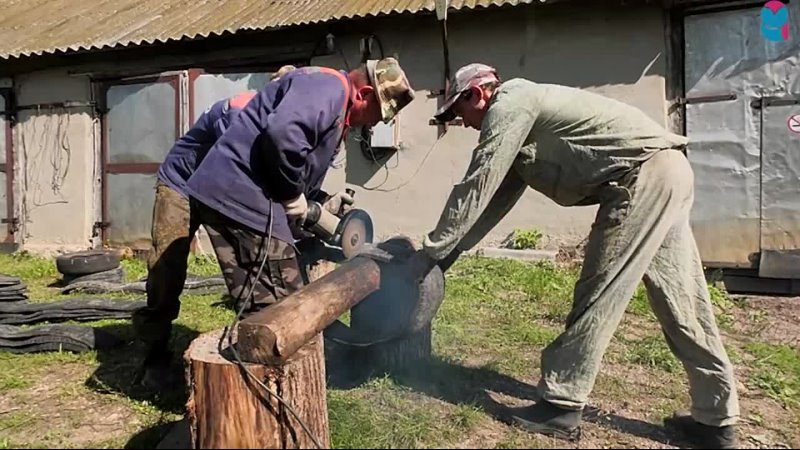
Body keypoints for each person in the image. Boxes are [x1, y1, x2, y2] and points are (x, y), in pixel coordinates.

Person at [408, 63, 739, 449]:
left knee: (598, 294)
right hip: (668, 171)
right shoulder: (523, 119)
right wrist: (452, 252)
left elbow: (476, 183)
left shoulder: (510, 104)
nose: (460, 122)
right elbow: (494, 198)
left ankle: (561, 405)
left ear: (477, 94)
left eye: (457, 112)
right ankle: (717, 420)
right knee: (683, 302)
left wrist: (431, 251)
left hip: (642, 179)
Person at [179, 55, 414, 336]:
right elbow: (284, 135)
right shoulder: (329, 88)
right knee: (286, 311)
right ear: (365, 95)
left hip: (230, 196)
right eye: (377, 116)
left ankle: (259, 364)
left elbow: (297, 162)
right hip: (244, 200)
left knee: (260, 304)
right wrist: (291, 196)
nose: (371, 125)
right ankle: (277, 370)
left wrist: (319, 200)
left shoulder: (330, 98)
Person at [131, 63, 302, 387]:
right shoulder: (241, 108)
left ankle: (258, 346)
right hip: (181, 186)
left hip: (217, 188)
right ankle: (153, 356)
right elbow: (242, 169)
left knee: (246, 261)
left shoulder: (289, 123)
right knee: (167, 269)